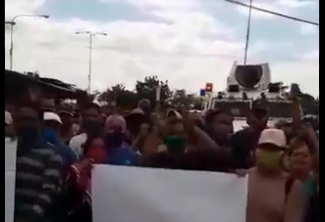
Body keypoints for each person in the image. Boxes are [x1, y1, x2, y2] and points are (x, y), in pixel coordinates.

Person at [14, 103, 64, 222]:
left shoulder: (52, 154)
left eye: (31, 120)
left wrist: (30, 217)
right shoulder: (9, 150)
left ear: (40, 123)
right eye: (22, 119)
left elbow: (48, 193)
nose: (26, 123)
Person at [245, 128, 304, 222]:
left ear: (283, 152)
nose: (268, 152)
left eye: (274, 149)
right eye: (264, 147)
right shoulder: (243, 177)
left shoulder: (292, 185)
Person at [231, 101, 269, 169]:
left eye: (262, 115)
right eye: (256, 114)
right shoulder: (239, 136)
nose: (258, 117)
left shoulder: (273, 136)